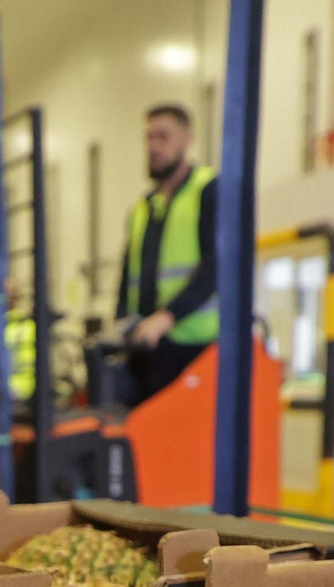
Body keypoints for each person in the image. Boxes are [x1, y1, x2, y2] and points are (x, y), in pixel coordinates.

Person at [115, 102, 219, 402]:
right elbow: (127, 277)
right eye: (148, 138)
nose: (154, 147)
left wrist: (167, 317)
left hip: (193, 349)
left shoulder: (208, 190)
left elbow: (216, 266)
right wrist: (120, 324)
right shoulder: (141, 208)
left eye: (163, 137)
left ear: (187, 138)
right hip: (145, 350)